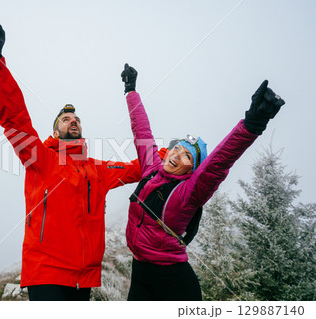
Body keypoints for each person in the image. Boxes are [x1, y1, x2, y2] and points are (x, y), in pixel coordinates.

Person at [0, 24, 141, 301]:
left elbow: (140, 168)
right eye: (66, 119)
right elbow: (14, 117)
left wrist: (174, 154)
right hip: (47, 275)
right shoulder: (40, 158)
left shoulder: (97, 169)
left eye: (76, 119)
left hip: (84, 279)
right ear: (55, 132)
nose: (73, 121)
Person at [120, 63, 285, 301]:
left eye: (187, 155)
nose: (176, 155)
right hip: (140, 274)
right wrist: (130, 89)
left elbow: (221, 160)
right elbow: (141, 130)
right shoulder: (151, 169)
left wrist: (252, 124)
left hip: (172, 282)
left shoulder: (190, 191)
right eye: (177, 149)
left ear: (194, 169)